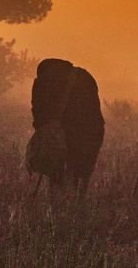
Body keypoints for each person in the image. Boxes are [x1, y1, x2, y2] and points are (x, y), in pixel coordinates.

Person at [30, 58, 105, 194]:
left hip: (59, 136)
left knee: (56, 174)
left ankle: (56, 204)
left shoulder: (43, 81)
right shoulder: (84, 77)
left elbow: (38, 113)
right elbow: (95, 113)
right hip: (88, 134)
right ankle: (78, 202)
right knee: (80, 175)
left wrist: (45, 134)